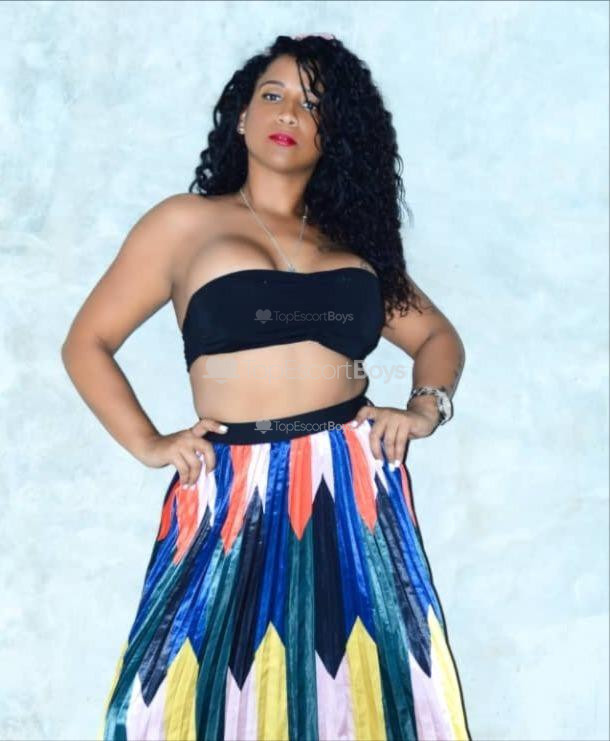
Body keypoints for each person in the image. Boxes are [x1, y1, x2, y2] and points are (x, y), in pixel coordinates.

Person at [62, 33, 471, 741]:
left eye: (312, 105)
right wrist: (149, 443)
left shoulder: (353, 247)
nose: (288, 112)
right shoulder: (184, 223)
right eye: (272, 95)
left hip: (350, 486)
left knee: (362, 704)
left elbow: (438, 337)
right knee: (173, 705)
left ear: (333, 134)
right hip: (230, 491)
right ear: (243, 116)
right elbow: (86, 343)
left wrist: (424, 406)